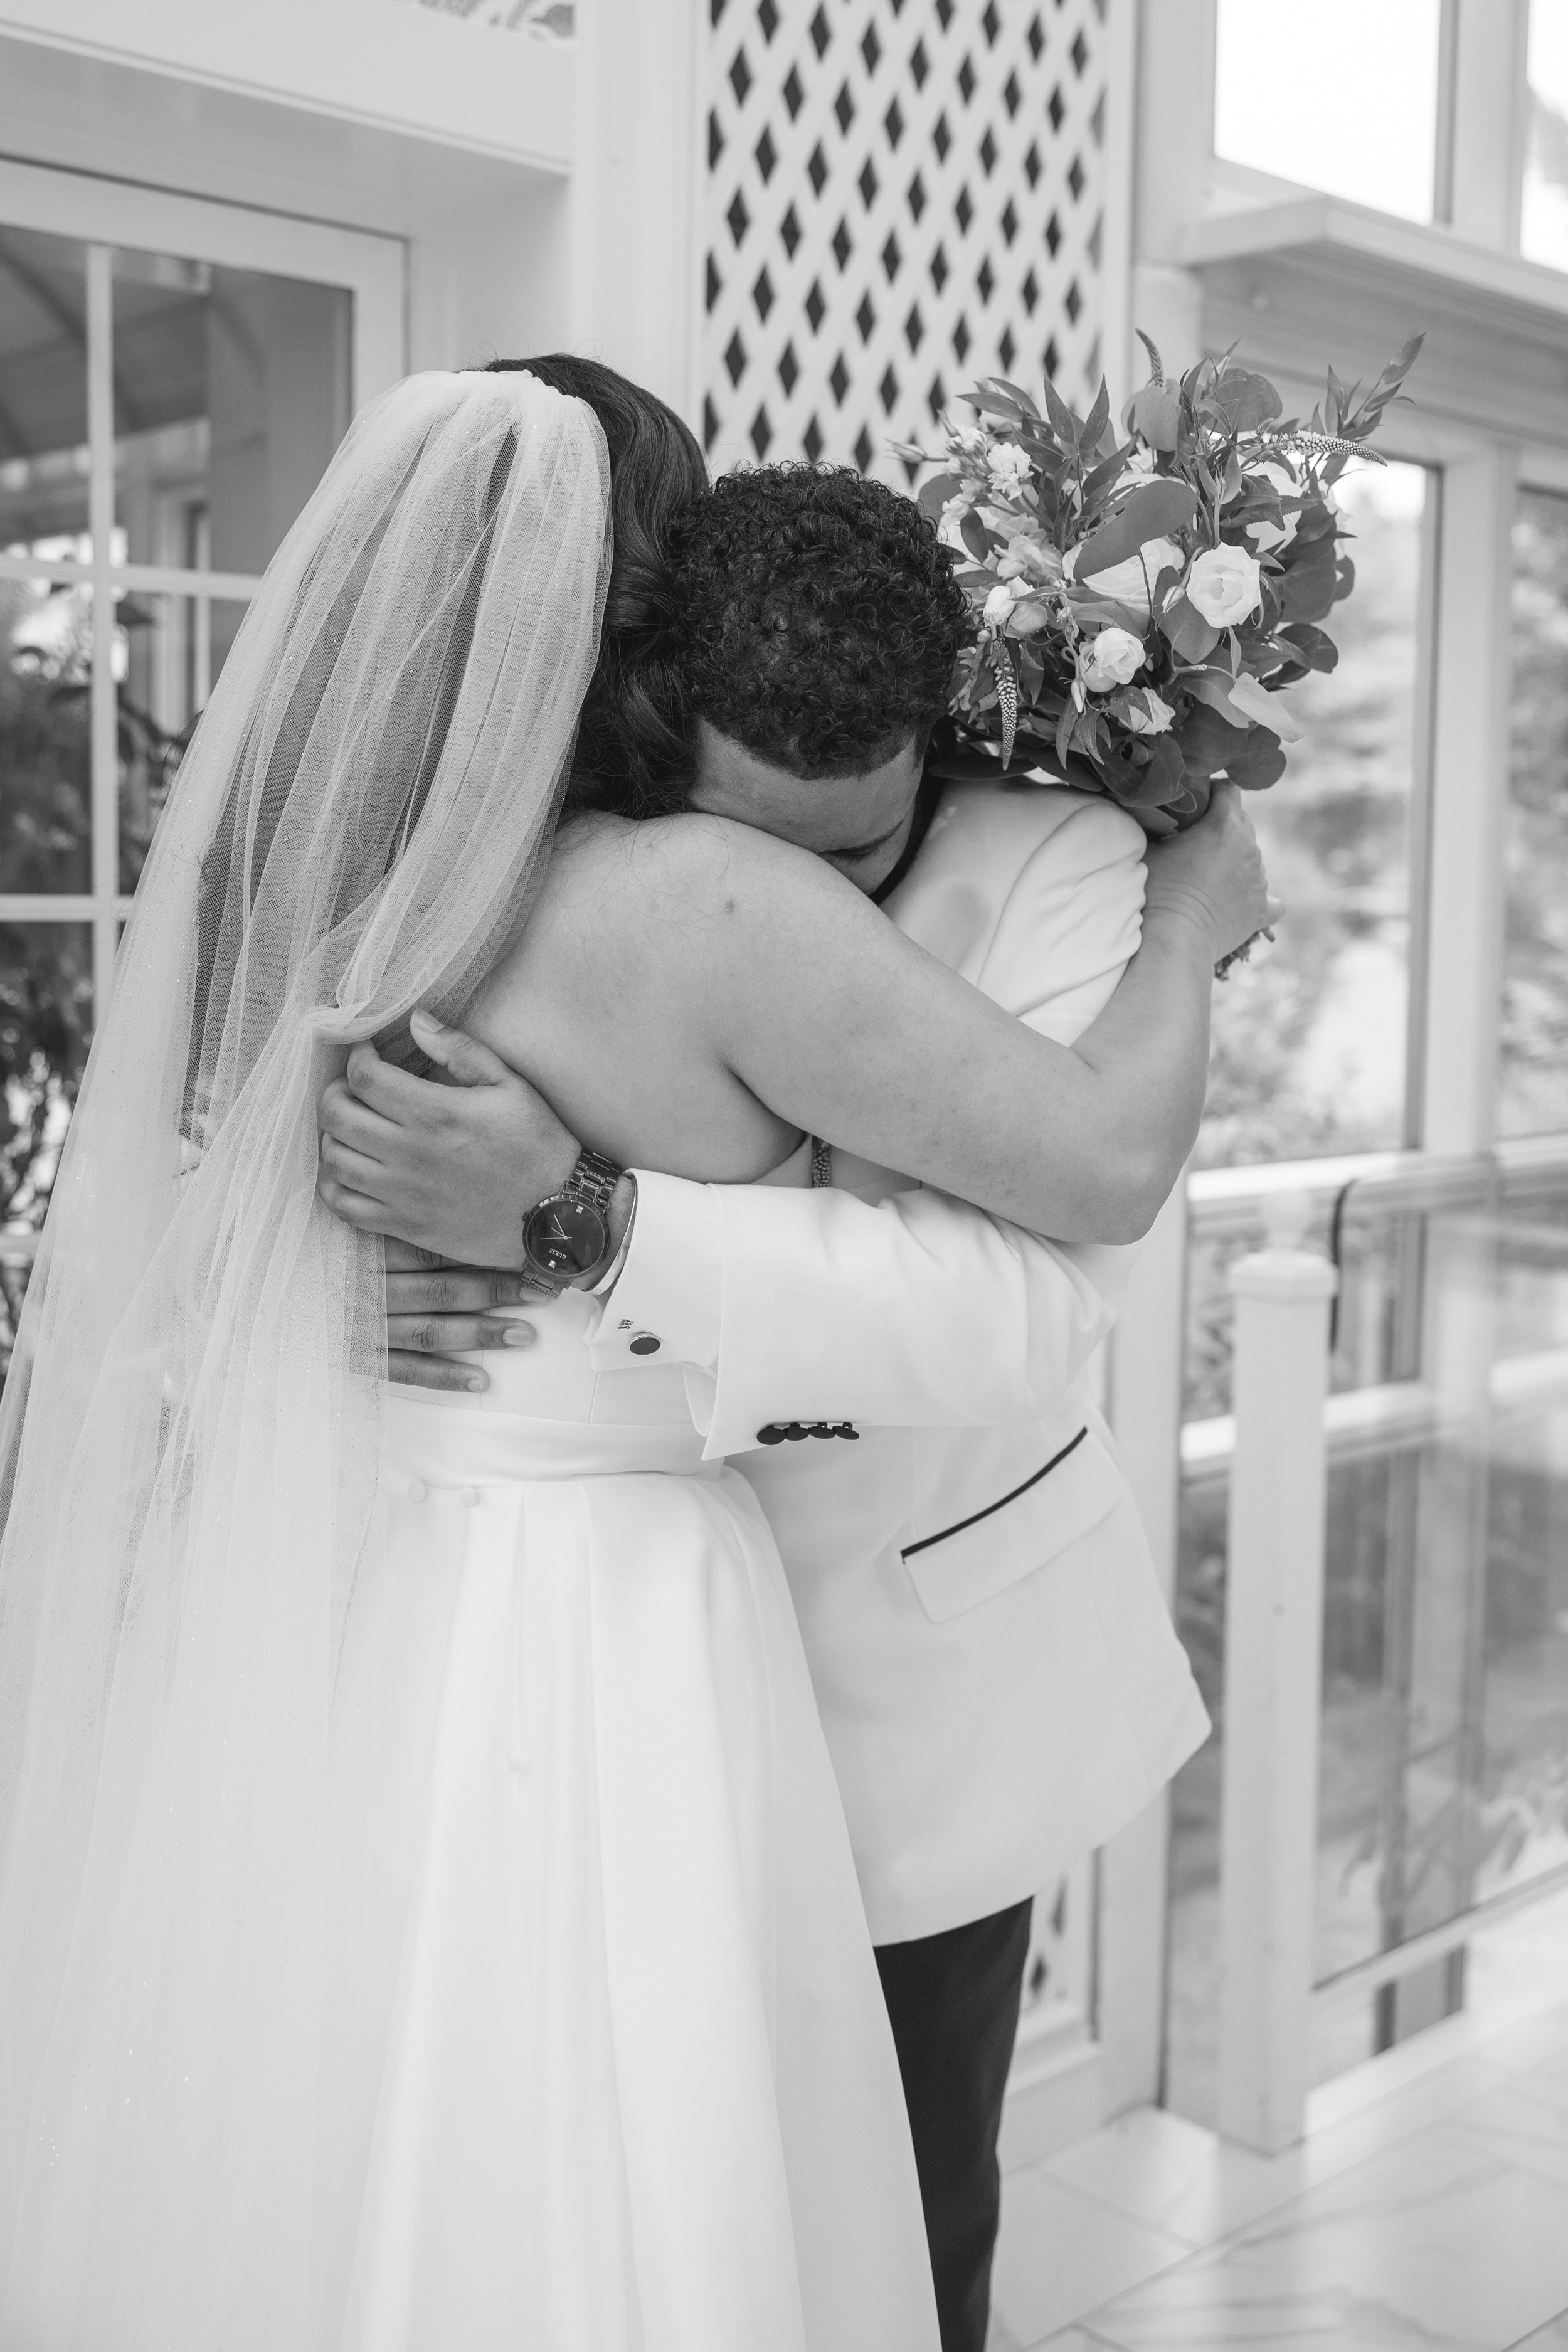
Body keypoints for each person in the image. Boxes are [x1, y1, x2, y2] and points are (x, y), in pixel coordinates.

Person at [317, 384, 1274, 2350]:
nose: (820, 922)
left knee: (890, 2241)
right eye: (770, 855)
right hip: (573, 1654)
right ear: (645, 698)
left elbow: (1019, 1309)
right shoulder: (572, 865)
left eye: (862, 853)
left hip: (905, 1681)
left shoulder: (1059, 865)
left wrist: (581, 1210)